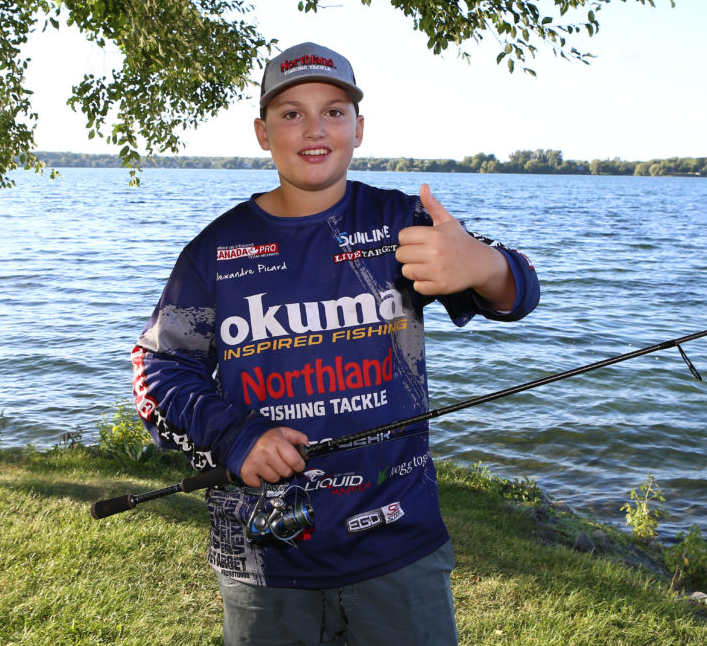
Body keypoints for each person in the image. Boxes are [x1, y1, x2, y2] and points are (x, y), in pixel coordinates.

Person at [131, 42, 540, 645]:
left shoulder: (403, 222)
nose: (314, 129)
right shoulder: (214, 251)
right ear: (262, 132)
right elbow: (160, 367)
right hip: (262, 554)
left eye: (334, 111)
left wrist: (483, 265)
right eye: (291, 113)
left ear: (359, 128)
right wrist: (236, 436)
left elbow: (516, 295)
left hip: (400, 543)